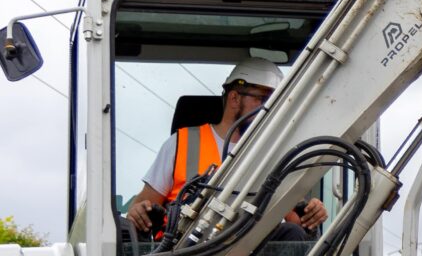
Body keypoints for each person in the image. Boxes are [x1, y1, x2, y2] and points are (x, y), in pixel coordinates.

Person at [125, 58, 326, 235]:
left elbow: (295, 223)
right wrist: (138, 211)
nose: (270, 108)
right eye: (263, 99)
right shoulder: (181, 144)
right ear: (234, 98)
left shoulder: (274, 153)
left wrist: (312, 212)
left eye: (277, 101)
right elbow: (143, 206)